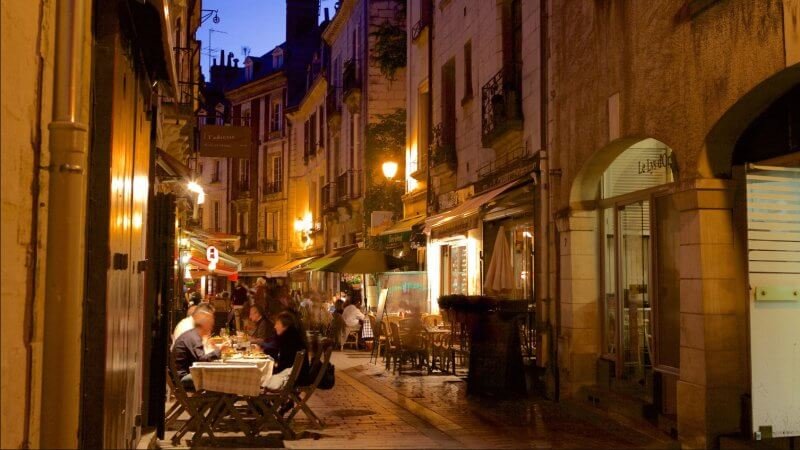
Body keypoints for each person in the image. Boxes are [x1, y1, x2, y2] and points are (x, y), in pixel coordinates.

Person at [171, 305, 225, 390]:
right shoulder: (194, 336)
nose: (212, 325)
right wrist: (219, 350)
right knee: (221, 378)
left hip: (183, 375)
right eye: (211, 322)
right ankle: (220, 402)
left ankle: (218, 402)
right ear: (205, 322)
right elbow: (202, 360)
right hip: (183, 378)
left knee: (219, 376)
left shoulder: (194, 333)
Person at [260, 311, 310, 391]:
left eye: (277, 324)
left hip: (290, 380)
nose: (275, 326)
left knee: (258, 376)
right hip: (296, 377)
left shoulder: (289, 341)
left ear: (285, 326)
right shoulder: (293, 337)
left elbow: (283, 366)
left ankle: (257, 401)